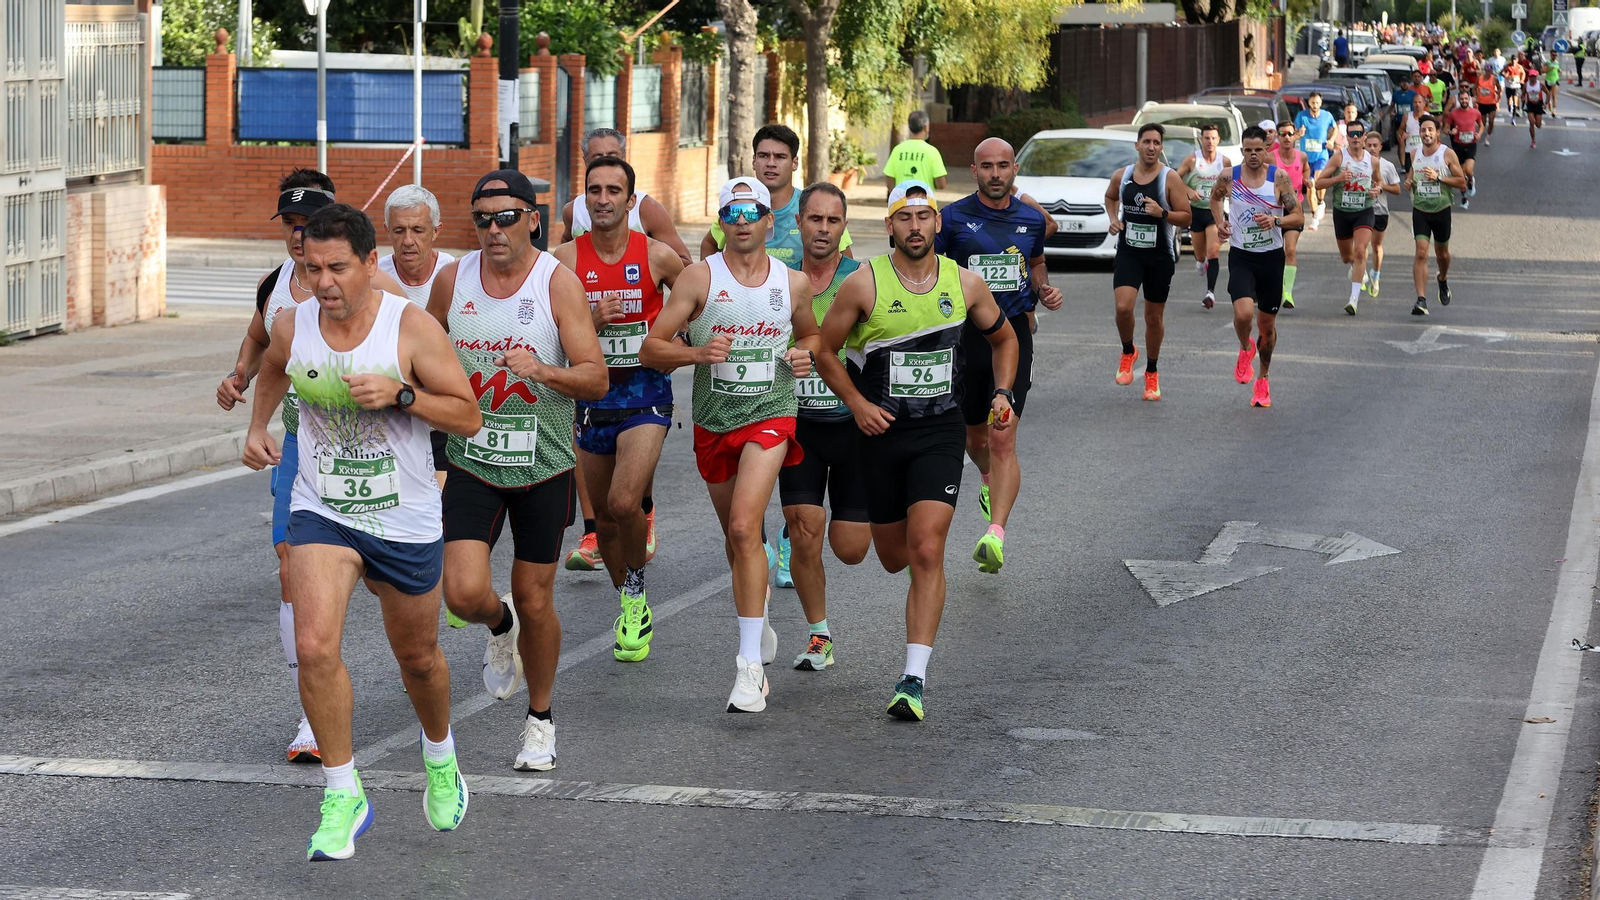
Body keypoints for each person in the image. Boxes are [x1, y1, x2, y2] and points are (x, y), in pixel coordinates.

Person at [241, 203, 483, 860]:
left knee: (419, 658)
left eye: (338, 268)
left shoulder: (412, 329)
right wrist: (259, 427)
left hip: (403, 516)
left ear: (370, 265)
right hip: (324, 507)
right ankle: (343, 791)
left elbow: (467, 417)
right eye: (311, 267)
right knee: (316, 646)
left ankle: (439, 757)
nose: (324, 282)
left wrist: (403, 396)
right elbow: (272, 366)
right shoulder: (294, 325)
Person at [425, 169, 609, 772]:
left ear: (533, 217)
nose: (494, 229)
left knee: (536, 600)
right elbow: (423, 360)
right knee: (463, 592)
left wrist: (543, 370)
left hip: (543, 465)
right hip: (473, 459)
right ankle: (497, 626)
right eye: (482, 218)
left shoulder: (557, 285)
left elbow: (596, 377)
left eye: (506, 217)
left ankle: (540, 721)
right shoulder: (453, 280)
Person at [814, 180, 1019, 721]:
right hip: (880, 435)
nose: (915, 227)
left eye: (924, 216)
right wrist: (857, 403)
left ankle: (912, 679)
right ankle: (915, 574)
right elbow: (823, 350)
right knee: (893, 556)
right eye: (903, 218)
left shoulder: (965, 283)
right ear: (889, 226)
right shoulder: (864, 285)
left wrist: (1002, 392)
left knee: (928, 548)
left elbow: (1004, 338)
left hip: (940, 432)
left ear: (936, 223)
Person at [641, 177, 820, 712]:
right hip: (715, 421)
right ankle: (757, 607)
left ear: (770, 220)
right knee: (736, 538)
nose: (743, 220)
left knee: (746, 525)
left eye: (753, 211)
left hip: (772, 414)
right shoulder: (699, 278)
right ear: (722, 222)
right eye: (732, 212)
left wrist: (803, 354)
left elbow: (810, 335)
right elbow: (652, 348)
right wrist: (698, 355)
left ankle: (748, 669)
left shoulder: (793, 284)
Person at [216, 169, 336, 765]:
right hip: (299, 448)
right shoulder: (277, 284)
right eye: (290, 225)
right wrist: (239, 379)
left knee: (401, 593)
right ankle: (312, 712)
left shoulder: (360, 283)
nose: (297, 236)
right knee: (292, 568)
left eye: (308, 224)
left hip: (370, 448)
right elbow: (259, 338)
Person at [550, 157, 685, 664]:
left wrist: (678, 339)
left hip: (645, 394)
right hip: (592, 397)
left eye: (614, 190)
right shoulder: (563, 260)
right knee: (604, 519)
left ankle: (633, 585)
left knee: (627, 502)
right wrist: (587, 318)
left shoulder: (655, 255)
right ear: (584, 199)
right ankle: (630, 595)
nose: (603, 198)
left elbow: (698, 297)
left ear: (632, 201)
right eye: (594, 190)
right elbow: (546, 327)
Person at [935, 138, 1062, 571]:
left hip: (1012, 337)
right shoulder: (951, 219)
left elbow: (1036, 263)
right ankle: (987, 478)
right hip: (964, 341)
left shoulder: (1031, 218)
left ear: (1015, 169)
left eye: (1003, 166)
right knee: (977, 438)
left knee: (1002, 435)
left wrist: (1044, 290)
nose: (995, 174)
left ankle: (996, 535)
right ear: (973, 170)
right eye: (986, 166)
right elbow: (930, 276)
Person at [772, 182, 871, 669]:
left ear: (844, 227)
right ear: (799, 222)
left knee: (851, 549)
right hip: (800, 426)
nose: (823, 229)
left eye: (833, 221)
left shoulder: (862, 278)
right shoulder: (781, 282)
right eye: (815, 219)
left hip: (852, 426)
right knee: (805, 530)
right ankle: (819, 635)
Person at [1212, 126, 1305, 409]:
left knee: (1267, 326)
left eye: (1258, 150)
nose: (1253, 155)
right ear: (1241, 151)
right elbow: (1215, 198)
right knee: (1243, 314)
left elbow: (1298, 216)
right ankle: (1244, 347)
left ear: (1267, 150)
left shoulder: (1278, 178)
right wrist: (1220, 222)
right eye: (1248, 150)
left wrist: (1276, 221)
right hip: (1241, 256)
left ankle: (1263, 379)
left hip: (1271, 259)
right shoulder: (1230, 177)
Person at [378, 184, 458, 494]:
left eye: (417, 230)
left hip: (440, 423)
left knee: (440, 518)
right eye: (399, 230)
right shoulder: (372, 277)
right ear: (386, 231)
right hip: (389, 424)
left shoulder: (456, 275)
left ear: (436, 231)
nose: (408, 241)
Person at [1103, 124, 1191, 398]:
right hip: (1129, 252)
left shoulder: (1170, 178)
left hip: (1159, 256)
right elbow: (1110, 197)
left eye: (1156, 142)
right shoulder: (1123, 175)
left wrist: (1162, 213)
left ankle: (1152, 372)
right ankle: (1128, 350)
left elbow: (1187, 216)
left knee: (1153, 318)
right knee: (1123, 308)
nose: (1151, 147)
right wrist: (1114, 220)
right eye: (1147, 142)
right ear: (1137, 145)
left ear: (1161, 148)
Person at [701, 124, 854, 268]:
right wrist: (713, 284)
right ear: (754, 161)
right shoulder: (738, 209)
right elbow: (709, 243)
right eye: (764, 155)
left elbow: (846, 264)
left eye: (780, 157)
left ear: (795, 163)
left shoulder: (815, 207)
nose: (771, 163)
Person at [560, 128, 694, 264]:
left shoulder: (647, 208)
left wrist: (645, 264)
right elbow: (564, 259)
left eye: (612, 156)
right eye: (598, 158)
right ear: (585, 160)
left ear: (623, 157)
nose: (606, 163)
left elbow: (685, 263)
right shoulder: (572, 211)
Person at [1312, 120, 1380, 316]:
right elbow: (1319, 184)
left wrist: (1377, 189)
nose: (1356, 138)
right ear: (1347, 137)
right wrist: (1338, 179)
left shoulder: (1372, 160)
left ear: (1364, 136)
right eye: (1352, 134)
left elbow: (1378, 181)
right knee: (1346, 257)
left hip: (1364, 211)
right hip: (1342, 212)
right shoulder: (1338, 158)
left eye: (1359, 133)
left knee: (1360, 251)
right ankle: (1358, 269)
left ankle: (1353, 299)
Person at [1406, 116, 1466, 316]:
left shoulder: (1447, 154)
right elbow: (1411, 177)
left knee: (1442, 255)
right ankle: (1421, 300)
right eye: (1423, 130)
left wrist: (1439, 177)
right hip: (1421, 210)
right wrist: (1408, 183)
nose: (1426, 134)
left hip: (1441, 211)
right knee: (1421, 252)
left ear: (1437, 133)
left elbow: (1461, 182)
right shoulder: (1414, 154)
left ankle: (1442, 279)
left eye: (1430, 130)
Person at [1176, 123, 1228, 309]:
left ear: (1219, 140)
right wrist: (1188, 190)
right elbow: (1174, 179)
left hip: (1215, 212)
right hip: (1196, 212)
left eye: (1213, 138)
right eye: (1207, 138)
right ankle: (1200, 262)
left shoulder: (1225, 162)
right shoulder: (1192, 160)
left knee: (1213, 252)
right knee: (1200, 254)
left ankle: (1210, 293)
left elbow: (1232, 184)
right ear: (1201, 140)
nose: (1210, 142)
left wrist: (1226, 193)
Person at [1270, 120, 1312, 308]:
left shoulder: (1301, 156)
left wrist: (1307, 181)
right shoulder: (1271, 158)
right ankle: (1268, 286)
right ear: (1278, 137)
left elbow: (1306, 171)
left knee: (1291, 249)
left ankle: (1287, 292)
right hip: (1274, 209)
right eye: (1283, 134)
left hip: (1294, 208)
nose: (1286, 137)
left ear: (1295, 135)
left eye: (1289, 133)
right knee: (1274, 253)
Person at [1361, 130, 1403, 300]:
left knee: (1376, 246)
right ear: (1364, 145)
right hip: (1362, 209)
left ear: (1380, 147)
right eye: (1369, 145)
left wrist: (1382, 186)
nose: (1371, 148)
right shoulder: (1357, 163)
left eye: (1374, 146)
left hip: (1380, 210)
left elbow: (1397, 190)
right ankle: (1362, 273)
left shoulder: (1387, 166)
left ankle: (1376, 275)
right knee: (1361, 245)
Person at [1293, 92, 1336, 230]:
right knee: (1310, 187)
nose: (1315, 105)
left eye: (1317, 103)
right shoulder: (1302, 116)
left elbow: (1335, 129)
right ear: (1309, 103)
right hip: (1306, 158)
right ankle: (1314, 215)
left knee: (1317, 180)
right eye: (1312, 103)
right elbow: (1295, 133)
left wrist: (1331, 140)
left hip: (1321, 156)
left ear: (1321, 103)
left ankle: (1321, 201)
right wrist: (1299, 133)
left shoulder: (1327, 116)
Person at [881, 110, 949, 193]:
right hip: (925, 203)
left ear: (910, 127)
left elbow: (889, 181)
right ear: (926, 127)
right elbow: (941, 184)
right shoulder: (932, 152)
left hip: (902, 203)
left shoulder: (897, 150)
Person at [1444, 90, 1484, 205]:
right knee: (1460, 174)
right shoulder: (1453, 114)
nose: (1464, 101)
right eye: (1462, 99)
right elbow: (1445, 129)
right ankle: (1464, 197)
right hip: (1458, 146)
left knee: (1469, 170)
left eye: (1466, 99)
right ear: (1459, 100)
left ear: (1469, 99)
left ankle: (1471, 180)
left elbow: (1481, 126)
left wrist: (1479, 134)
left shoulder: (1476, 113)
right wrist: (1451, 132)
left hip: (1471, 144)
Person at [1397, 91, 1428, 174]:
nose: (1417, 104)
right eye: (1415, 102)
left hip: (1424, 152)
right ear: (1412, 104)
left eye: (1419, 102)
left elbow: (1436, 134)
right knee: (1408, 178)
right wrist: (1402, 136)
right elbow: (1400, 130)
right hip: (1409, 151)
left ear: (1424, 104)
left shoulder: (1428, 117)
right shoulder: (1407, 116)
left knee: (1422, 175)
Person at [1475, 64, 1501, 145]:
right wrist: (1476, 96)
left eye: (1490, 71)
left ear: (1492, 71)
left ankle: (1488, 136)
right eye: (1487, 71)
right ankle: (1482, 132)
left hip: (1491, 103)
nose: (1488, 73)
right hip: (1482, 103)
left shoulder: (1494, 79)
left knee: (1491, 120)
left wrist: (1498, 93)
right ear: (1484, 71)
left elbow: (1499, 88)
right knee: (1482, 123)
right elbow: (1474, 87)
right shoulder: (1479, 78)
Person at [1525, 68, 1548, 147]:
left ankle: (1537, 121)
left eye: (1534, 76)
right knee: (1531, 122)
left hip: (1538, 104)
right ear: (1529, 77)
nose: (1533, 78)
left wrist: (1546, 103)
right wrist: (1522, 97)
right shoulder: (1526, 85)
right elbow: (1523, 93)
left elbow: (1548, 93)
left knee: (1538, 125)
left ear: (1536, 77)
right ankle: (1533, 140)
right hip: (1530, 105)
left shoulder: (1540, 85)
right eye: (1531, 76)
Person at [1505, 55, 1526, 120]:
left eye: (1514, 60)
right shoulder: (1507, 66)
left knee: (1515, 100)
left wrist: (1522, 79)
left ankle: (1513, 118)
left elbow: (1523, 73)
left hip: (1516, 85)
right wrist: (1506, 76)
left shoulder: (1519, 67)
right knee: (1509, 100)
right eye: (1512, 60)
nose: (1513, 61)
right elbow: (1502, 72)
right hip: (1509, 85)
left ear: (1517, 60)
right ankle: (1509, 106)